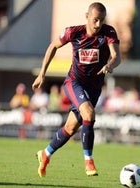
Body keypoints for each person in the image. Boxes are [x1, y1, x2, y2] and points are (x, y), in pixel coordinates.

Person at [32, 2, 121, 177]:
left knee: (71, 128)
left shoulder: (108, 32)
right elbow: (53, 46)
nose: (98, 25)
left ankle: (45, 153)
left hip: (94, 88)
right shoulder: (74, 32)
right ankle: (88, 161)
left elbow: (117, 56)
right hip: (74, 83)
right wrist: (42, 74)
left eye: (101, 21)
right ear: (86, 16)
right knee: (89, 114)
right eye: (95, 20)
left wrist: (110, 65)